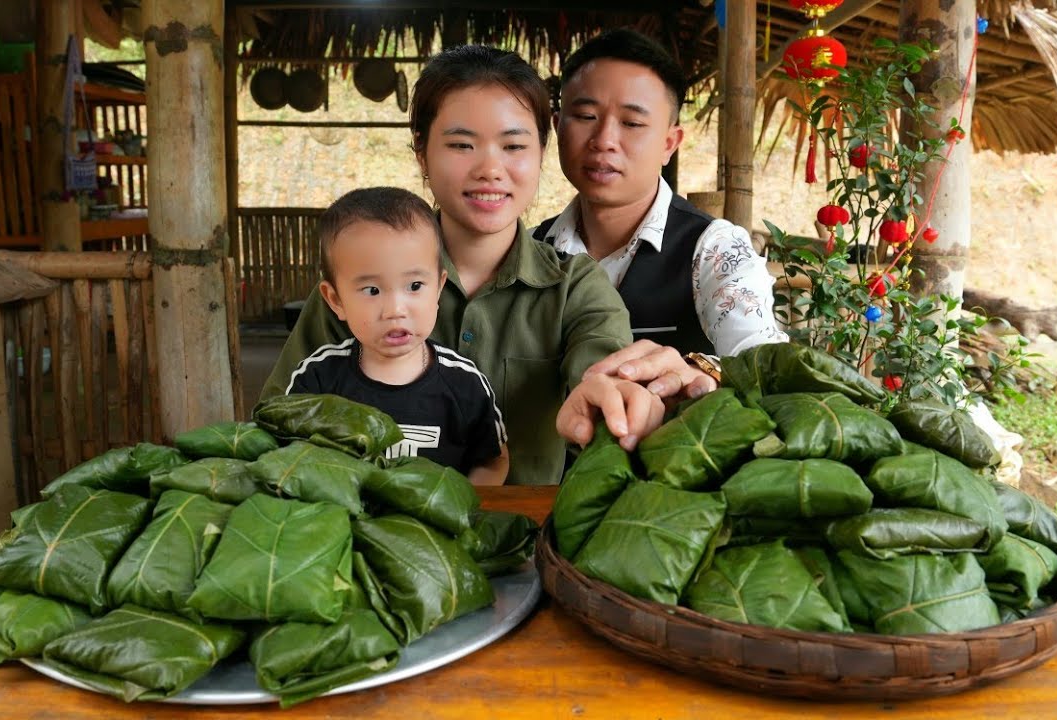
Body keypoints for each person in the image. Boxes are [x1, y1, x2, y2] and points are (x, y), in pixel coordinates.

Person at [263, 45, 676, 485]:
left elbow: (603, 368)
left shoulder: (574, 288)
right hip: (365, 525)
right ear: (421, 151)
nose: (490, 169)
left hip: (520, 529)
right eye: (462, 144)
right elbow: (277, 420)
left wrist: (611, 392)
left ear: (541, 151)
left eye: (514, 145)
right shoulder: (360, 282)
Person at [532, 28, 789, 357]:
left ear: (669, 143)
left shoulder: (714, 250)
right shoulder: (528, 248)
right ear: (557, 127)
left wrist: (698, 373)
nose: (604, 140)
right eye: (586, 116)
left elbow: (761, 363)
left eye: (632, 123)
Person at [282, 187, 509, 485]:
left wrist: (462, 501)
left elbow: (493, 461)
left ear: (438, 288)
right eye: (372, 290)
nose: (395, 310)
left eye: (414, 286)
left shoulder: (465, 384)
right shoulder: (317, 379)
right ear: (335, 300)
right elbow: (288, 459)